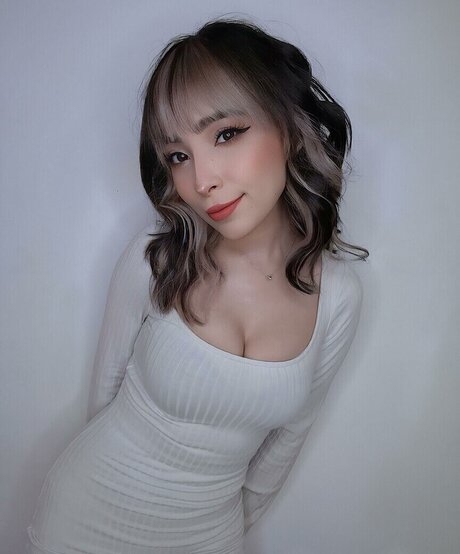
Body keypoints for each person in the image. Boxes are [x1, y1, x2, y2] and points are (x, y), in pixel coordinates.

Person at [26, 16, 368, 554]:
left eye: (226, 134)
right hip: (87, 518)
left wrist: (222, 533)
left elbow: (285, 444)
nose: (202, 180)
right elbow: (104, 399)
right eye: (178, 156)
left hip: (210, 535)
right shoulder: (158, 259)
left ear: (289, 126)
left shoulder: (338, 296)